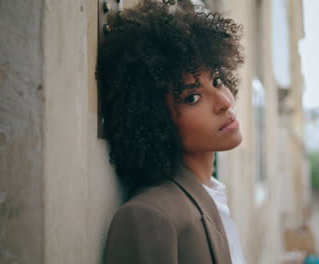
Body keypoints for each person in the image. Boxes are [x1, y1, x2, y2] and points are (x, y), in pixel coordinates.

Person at [95, 0, 245, 263]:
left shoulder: (213, 197)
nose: (224, 102)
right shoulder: (149, 216)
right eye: (192, 98)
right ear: (155, 119)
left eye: (217, 81)